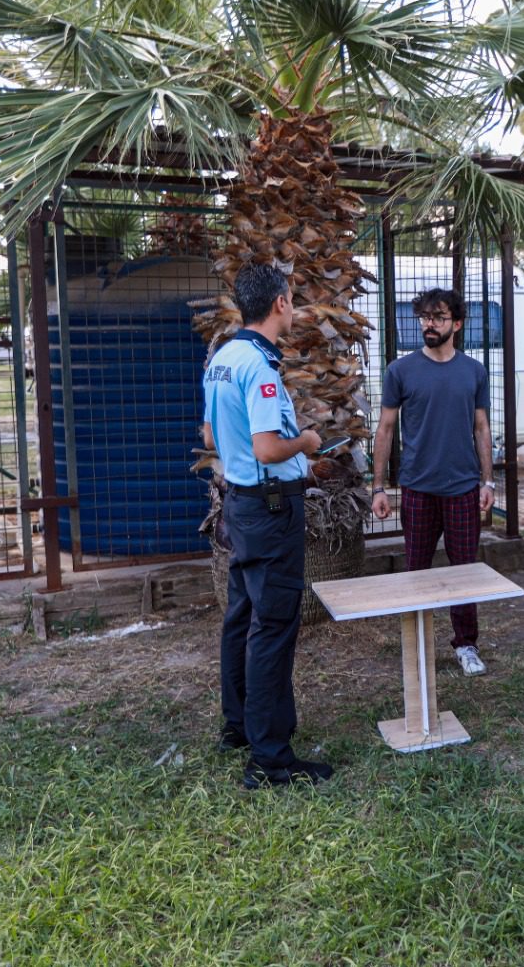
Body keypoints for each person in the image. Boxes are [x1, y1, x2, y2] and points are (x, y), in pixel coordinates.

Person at [201, 263, 332, 789]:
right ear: (279, 303)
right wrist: (306, 442)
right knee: (273, 626)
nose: (295, 307)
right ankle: (270, 757)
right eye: (293, 298)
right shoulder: (258, 366)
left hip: (240, 504)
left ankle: (239, 726)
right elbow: (268, 447)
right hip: (271, 509)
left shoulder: (222, 359)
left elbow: (210, 437)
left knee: (243, 616)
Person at [371, 287, 496, 675]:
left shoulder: (474, 371)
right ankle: (418, 644)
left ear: (456, 323)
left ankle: (466, 644)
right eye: (424, 317)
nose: (429, 323)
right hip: (417, 489)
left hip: (462, 489)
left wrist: (488, 481)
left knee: (464, 571)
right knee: (418, 570)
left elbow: (482, 428)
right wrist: (378, 487)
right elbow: (386, 428)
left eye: (438, 317)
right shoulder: (400, 370)